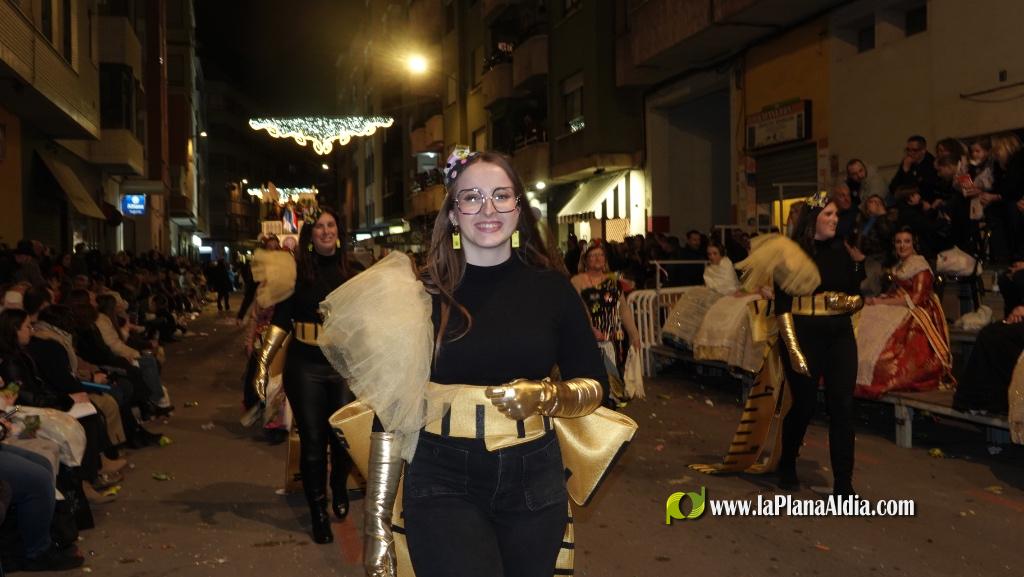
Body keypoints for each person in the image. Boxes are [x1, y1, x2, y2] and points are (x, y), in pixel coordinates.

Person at [317, 150, 613, 577]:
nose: (488, 209)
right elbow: (391, 412)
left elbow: (595, 385)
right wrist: (377, 524)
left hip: (534, 476)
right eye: (471, 197)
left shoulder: (553, 290)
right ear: (454, 214)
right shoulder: (419, 293)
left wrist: (547, 395)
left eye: (501, 196)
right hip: (441, 473)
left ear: (518, 208)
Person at [691, 191, 865, 497]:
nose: (835, 220)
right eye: (828, 215)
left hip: (840, 335)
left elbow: (855, 295)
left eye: (837, 215)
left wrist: (852, 291)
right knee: (805, 406)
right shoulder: (790, 252)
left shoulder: (843, 251)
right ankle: (787, 463)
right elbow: (783, 307)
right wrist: (794, 349)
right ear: (813, 220)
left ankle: (843, 484)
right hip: (803, 335)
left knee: (843, 407)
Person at [252, 207, 355, 544]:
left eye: (331, 224)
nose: (326, 231)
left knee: (342, 439)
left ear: (338, 230)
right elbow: (281, 320)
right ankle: (317, 512)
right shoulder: (295, 272)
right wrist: (264, 362)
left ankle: (339, 484)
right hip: (305, 365)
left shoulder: (354, 270)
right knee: (313, 441)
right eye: (320, 227)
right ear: (311, 234)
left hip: (342, 364)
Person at [855, 228, 953, 398]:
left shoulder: (920, 266)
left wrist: (883, 302)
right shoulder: (900, 266)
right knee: (868, 311)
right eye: (898, 242)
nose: (902, 245)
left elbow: (916, 299)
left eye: (906, 241)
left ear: (913, 243)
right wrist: (879, 299)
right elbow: (896, 292)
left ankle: (876, 369)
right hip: (899, 303)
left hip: (918, 310)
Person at [570, 244, 642, 403]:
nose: (597, 259)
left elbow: (623, 310)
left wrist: (634, 335)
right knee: (593, 378)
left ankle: (611, 404)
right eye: (593, 256)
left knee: (614, 381)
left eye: (601, 255)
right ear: (585, 260)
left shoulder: (613, 281)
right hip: (588, 336)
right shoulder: (577, 281)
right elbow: (578, 308)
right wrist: (591, 329)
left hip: (613, 336)